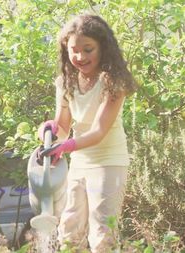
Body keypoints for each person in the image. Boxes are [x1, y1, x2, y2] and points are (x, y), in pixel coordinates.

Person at [37, 14, 138, 252]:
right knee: (69, 232)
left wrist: (64, 146)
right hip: (79, 164)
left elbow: (99, 131)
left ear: (103, 47)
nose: (80, 57)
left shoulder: (114, 82)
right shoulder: (65, 82)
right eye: (74, 50)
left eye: (88, 49)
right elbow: (62, 128)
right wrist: (48, 131)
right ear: (66, 49)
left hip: (109, 163)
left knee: (102, 235)